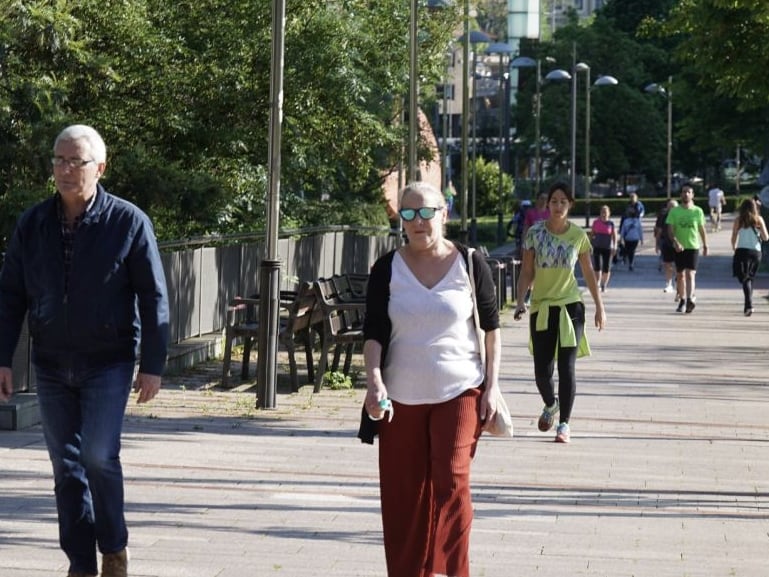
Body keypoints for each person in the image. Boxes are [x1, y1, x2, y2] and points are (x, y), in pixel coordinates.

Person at [0, 125, 170, 577]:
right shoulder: (33, 223)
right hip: (52, 361)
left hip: (108, 360)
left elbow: (154, 296)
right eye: (58, 160)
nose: (65, 170)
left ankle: (113, 545)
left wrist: (152, 365)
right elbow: (10, 294)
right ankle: (80, 562)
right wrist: (2, 357)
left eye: (75, 161)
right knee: (65, 468)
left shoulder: (128, 222)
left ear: (100, 167)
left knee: (97, 455)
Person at [361, 181, 501, 577]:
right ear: (400, 220)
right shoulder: (386, 269)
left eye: (426, 212)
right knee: (404, 495)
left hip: (460, 389)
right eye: (408, 214)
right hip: (399, 398)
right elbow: (373, 334)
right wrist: (374, 381)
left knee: (451, 480)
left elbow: (491, 331)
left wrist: (492, 386)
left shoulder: (471, 264)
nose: (418, 222)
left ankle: (455, 571)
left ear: (445, 213)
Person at [513, 182, 606, 444]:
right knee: (542, 371)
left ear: (570, 205)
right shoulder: (534, 234)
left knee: (567, 367)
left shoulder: (578, 236)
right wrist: (521, 300)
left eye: (563, 201)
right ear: (547, 204)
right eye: (554, 201)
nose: (558, 205)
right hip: (542, 306)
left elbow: (588, 272)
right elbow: (527, 271)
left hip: (570, 307)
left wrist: (600, 307)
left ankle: (564, 423)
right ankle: (550, 403)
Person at [666, 183, 708, 313]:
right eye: (684, 192)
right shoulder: (675, 211)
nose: (686, 194)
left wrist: (705, 245)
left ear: (692, 195)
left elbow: (702, 229)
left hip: (693, 246)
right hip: (680, 247)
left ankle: (690, 299)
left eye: (689, 192)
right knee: (680, 275)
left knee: (690, 274)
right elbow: (670, 230)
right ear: (681, 195)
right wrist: (675, 241)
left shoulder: (698, 211)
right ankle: (682, 299)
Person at [731, 198, 768, 316]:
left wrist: (733, 247)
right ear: (755, 208)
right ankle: (748, 305)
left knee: (744, 277)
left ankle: (748, 305)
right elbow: (766, 237)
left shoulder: (739, 220)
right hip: (756, 252)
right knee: (750, 278)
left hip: (742, 251)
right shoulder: (759, 220)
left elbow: (734, 235)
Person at [590, 205, 617, 292]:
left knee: (606, 268)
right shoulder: (596, 222)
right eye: (602, 212)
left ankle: (604, 284)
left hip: (607, 248)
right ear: (600, 213)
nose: (604, 214)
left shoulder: (611, 224)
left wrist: (614, 246)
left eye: (606, 212)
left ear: (609, 213)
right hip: (597, 246)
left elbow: (614, 236)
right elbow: (592, 234)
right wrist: (590, 245)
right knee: (597, 267)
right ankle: (597, 283)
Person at [655, 199, 679, 293]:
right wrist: (657, 244)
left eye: (674, 206)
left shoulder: (680, 216)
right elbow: (659, 231)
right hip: (666, 242)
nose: (672, 208)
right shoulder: (663, 216)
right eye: (670, 206)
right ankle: (669, 283)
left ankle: (678, 283)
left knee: (678, 265)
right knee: (667, 264)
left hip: (678, 243)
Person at [619, 206, 643, 271]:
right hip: (631, 238)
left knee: (631, 250)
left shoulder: (627, 221)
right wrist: (641, 239)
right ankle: (630, 262)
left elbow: (623, 231)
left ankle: (630, 263)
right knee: (631, 251)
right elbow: (640, 230)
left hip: (629, 238)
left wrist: (621, 238)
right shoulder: (637, 221)